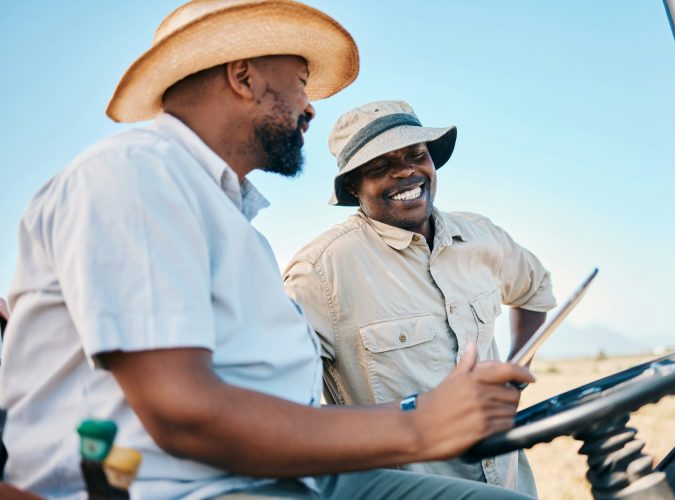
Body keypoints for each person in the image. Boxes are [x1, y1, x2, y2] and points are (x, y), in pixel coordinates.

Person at [0, 2, 535, 499]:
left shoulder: (236, 228)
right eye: (301, 84)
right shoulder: (136, 176)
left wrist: (432, 406)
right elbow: (181, 413)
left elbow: (277, 405)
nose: (309, 109)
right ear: (243, 76)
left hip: (284, 474)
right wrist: (419, 427)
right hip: (181, 486)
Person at [283, 100, 557, 495]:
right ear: (353, 187)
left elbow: (536, 291)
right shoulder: (321, 272)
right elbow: (287, 413)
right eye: (380, 165)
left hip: (512, 487)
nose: (406, 171)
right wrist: (414, 421)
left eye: (416, 154)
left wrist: (513, 373)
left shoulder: (482, 236)